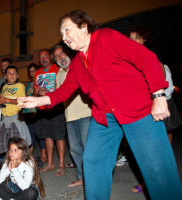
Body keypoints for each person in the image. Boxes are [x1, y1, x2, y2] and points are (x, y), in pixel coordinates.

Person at [18, 10, 182, 200]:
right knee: (93, 161)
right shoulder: (78, 63)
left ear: (84, 26)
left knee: (156, 165)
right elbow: (63, 92)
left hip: (139, 110)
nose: (64, 38)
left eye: (67, 31)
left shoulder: (107, 37)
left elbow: (147, 58)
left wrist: (159, 96)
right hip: (105, 117)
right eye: (61, 35)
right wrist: (38, 100)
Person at [129, 27, 182, 193]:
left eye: (136, 37)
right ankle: (150, 183)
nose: (132, 40)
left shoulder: (151, 56)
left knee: (160, 150)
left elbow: (165, 84)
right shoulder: (131, 59)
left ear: (144, 39)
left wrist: (157, 99)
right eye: (130, 37)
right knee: (149, 150)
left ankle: (165, 185)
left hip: (160, 103)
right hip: (144, 106)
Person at [54, 45, 92, 187]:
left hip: (86, 113)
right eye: (57, 57)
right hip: (69, 116)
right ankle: (81, 177)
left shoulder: (79, 66)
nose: (60, 58)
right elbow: (59, 95)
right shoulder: (58, 74)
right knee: (75, 150)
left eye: (62, 54)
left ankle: (92, 179)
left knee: (88, 149)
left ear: (68, 53)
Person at [34, 49, 66, 176]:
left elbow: (63, 88)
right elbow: (35, 92)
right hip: (43, 108)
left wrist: (50, 92)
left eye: (45, 56)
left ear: (51, 57)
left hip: (56, 107)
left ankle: (62, 164)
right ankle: (50, 164)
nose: (43, 59)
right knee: (47, 136)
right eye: (41, 57)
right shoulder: (38, 73)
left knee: (59, 136)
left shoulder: (57, 69)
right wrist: (37, 92)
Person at [0, 65, 31, 154]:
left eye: (14, 73)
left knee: (17, 145)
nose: (12, 75)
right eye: (9, 73)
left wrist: (6, 100)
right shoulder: (5, 87)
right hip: (5, 118)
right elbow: (3, 100)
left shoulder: (20, 86)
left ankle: (20, 164)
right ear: (5, 77)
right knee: (5, 144)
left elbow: (22, 101)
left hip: (15, 119)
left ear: (17, 75)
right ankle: (9, 163)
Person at [22, 63, 47, 162]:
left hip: (37, 110)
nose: (32, 73)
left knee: (39, 132)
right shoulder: (28, 84)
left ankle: (43, 151)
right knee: (30, 132)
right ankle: (31, 150)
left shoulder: (41, 83)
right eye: (30, 71)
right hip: (27, 111)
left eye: (34, 70)